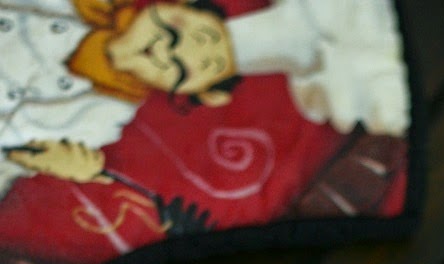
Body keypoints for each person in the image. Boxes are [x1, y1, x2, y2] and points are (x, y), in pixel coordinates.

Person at [1, 0, 410, 197]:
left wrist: (42, 164)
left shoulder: (100, 120)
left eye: (180, 68)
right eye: (173, 32)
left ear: (193, 95)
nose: (163, 51)